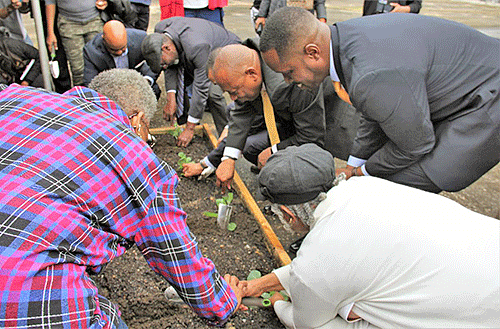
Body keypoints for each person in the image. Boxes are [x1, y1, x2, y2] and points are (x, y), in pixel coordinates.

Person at [0, 69, 244, 328]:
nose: (145, 141)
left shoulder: (15, 97)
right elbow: (178, 259)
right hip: (22, 297)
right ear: (137, 119)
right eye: (147, 133)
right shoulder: (135, 156)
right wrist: (225, 302)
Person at [234, 143, 500, 329]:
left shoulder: (320, 256)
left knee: (344, 311)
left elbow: (306, 322)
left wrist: (279, 305)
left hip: (482, 317)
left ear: (287, 214)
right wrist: (259, 285)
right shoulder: (365, 187)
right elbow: (322, 271)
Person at [259, 7, 500, 193]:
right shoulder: (346, 39)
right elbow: (374, 112)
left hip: (488, 98)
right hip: (466, 87)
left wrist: (364, 172)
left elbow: (415, 145)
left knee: (403, 182)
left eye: (288, 72)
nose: (288, 82)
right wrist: (354, 164)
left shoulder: (369, 73)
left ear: (312, 53)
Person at [206, 39, 359, 190]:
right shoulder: (249, 66)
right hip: (298, 118)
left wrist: (274, 151)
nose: (232, 99)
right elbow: (242, 112)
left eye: (233, 92)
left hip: (334, 112)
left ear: (252, 74)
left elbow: (311, 137)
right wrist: (228, 159)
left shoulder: (292, 81)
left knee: (320, 160)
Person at [141, 16, 240, 147]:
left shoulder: (196, 46)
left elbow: (201, 88)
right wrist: (171, 100)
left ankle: (227, 138)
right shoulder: (161, 32)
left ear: (166, 48)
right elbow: (170, 67)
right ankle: (187, 121)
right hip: (192, 55)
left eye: (163, 63)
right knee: (183, 84)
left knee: (212, 94)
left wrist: (190, 128)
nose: (164, 67)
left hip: (227, 53)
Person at [83, 20, 160, 98]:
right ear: (104, 40)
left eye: (123, 48)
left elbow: (155, 62)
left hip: (137, 79)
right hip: (111, 85)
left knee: (154, 91)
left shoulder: (141, 38)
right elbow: (90, 83)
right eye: (114, 50)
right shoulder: (91, 51)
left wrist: (145, 81)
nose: (119, 53)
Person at [45, 0, 104, 86]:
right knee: (78, 69)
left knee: (99, 63)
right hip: (69, 23)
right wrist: (50, 33)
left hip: (94, 20)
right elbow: (50, 3)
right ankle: (81, 95)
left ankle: (100, 95)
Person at [254, 0, 326, 33]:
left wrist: (321, 18)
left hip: (303, 21)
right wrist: (261, 15)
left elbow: (319, 2)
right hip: (278, 17)